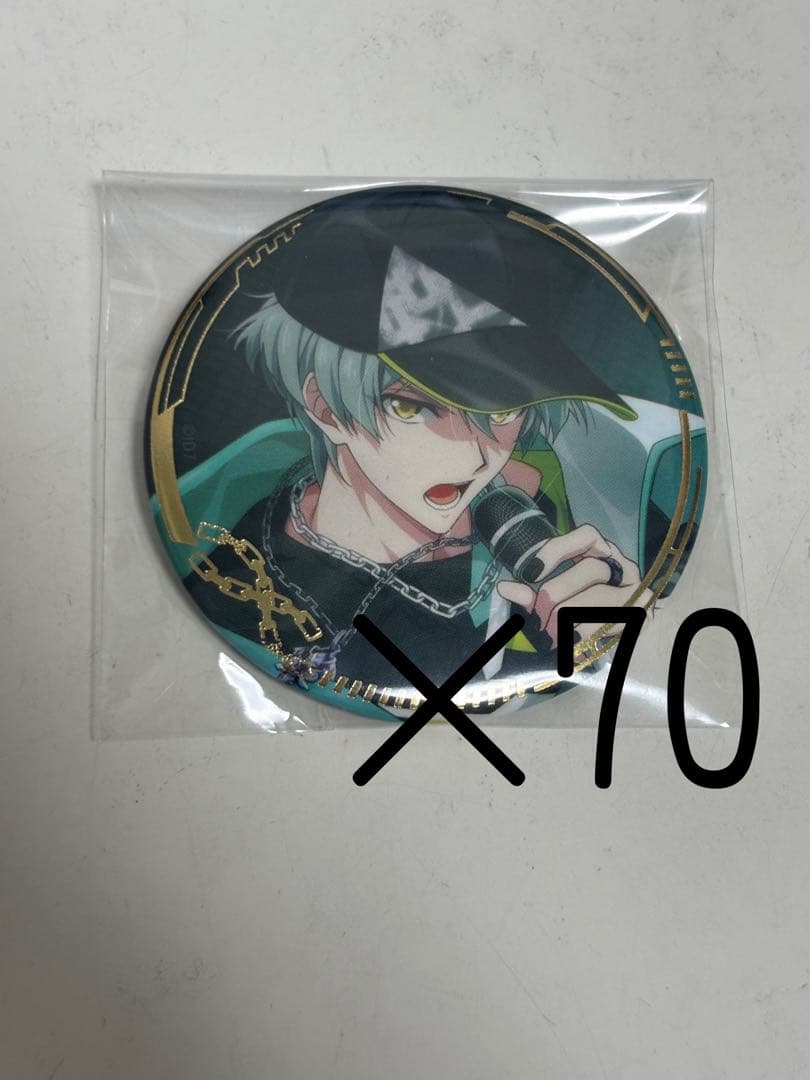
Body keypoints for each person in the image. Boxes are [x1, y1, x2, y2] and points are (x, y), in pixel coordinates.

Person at [180, 188, 650, 715]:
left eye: (503, 412)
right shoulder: (239, 582)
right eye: (414, 408)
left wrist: (596, 640)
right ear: (325, 408)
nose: (477, 458)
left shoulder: (542, 511)